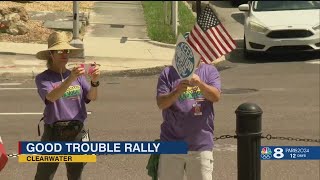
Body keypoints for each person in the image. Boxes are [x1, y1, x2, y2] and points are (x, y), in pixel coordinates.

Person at [34, 31, 100, 180]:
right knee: (44, 175)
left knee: (75, 175)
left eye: (67, 50)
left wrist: (95, 82)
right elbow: (51, 97)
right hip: (54, 134)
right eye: (60, 51)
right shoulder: (43, 78)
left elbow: (92, 97)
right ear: (51, 54)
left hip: (77, 132)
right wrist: (70, 79)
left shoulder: (78, 76)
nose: (64, 54)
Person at [156, 58, 221, 180]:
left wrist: (200, 84)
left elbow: (216, 96)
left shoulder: (209, 71)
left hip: (200, 145)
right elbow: (161, 104)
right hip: (171, 144)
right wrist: (177, 91)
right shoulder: (168, 73)